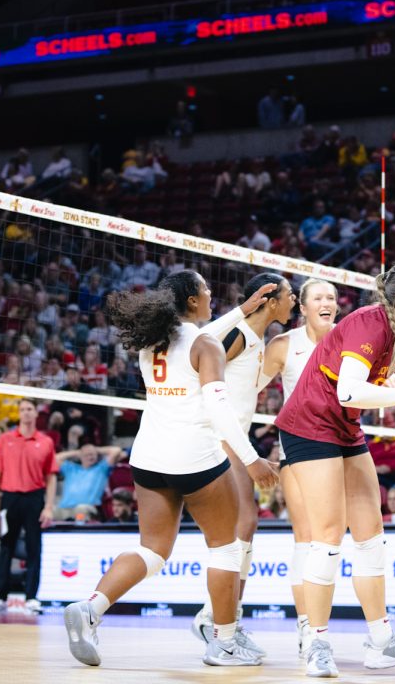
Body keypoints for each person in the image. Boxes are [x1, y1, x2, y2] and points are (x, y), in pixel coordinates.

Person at [61, 272, 277, 669]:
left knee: (153, 550)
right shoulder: (205, 345)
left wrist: (240, 312)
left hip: (148, 458)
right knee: (226, 548)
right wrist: (251, 459)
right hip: (195, 458)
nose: (212, 294)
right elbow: (217, 406)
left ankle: (91, 607)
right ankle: (225, 641)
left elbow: (196, 338)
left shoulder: (154, 340)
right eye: (207, 290)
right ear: (193, 300)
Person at [275, 261, 395, 676]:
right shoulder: (370, 323)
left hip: (344, 427)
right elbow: (350, 389)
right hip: (309, 425)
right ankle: (316, 642)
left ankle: (383, 641)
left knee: (372, 535)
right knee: (328, 537)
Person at [191, 275, 294, 651]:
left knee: (244, 526)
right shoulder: (236, 335)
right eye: (288, 295)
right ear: (268, 299)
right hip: (219, 438)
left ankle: (224, 616)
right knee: (243, 524)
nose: (294, 301)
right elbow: (197, 364)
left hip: (234, 437)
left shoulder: (259, 341)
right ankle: (217, 619)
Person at [258, 278, 337, 657]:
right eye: (318, 298)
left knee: (343, 539)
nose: (327, 303)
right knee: (307, 539)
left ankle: (378, 630)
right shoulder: (283, 345)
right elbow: (247, 387)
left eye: (332, 297)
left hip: (346, 446)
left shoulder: (350, 339)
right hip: (300, 448)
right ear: (302, 308)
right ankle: (308, 625)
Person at [0, 398, 59, 617]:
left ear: (36, 414)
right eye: (23, 409)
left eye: (30, 409)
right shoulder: (5, 439)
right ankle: (0, 597)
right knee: (6, 547)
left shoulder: (45, 441)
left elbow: (51, 476)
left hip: (34, 498)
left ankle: (31, 598)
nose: (26, 413)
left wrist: (48, 506)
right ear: (18, 414)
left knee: (34, 548)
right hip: (10, 498)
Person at [52, 444, 126, 521]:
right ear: (80, 456)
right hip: (65, 508)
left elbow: (116, 450)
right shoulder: (71, 468)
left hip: (86, 509)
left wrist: (96, 449)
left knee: (80, 509)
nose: (90, 457)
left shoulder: (101, 468)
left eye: (93, 455)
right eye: (87, 455)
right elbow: (54, 458)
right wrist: (76, 452)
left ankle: (79, 530)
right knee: (50, 512)